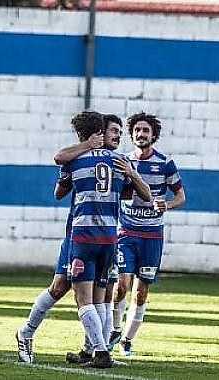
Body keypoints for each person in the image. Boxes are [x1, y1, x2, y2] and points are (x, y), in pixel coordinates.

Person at [61, 110, 151, 368]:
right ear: (100, 132)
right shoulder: (120, 161)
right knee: (101, 297)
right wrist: (132, 174)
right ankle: (91, 350)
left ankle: (101, 352)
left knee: (83, 298)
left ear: (81, 135)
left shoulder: (76, 160)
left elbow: (58, 163)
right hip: (111, 239)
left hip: (84, 237)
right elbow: (144, 195)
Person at [14, 122, 104, 364]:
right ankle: (26, 333)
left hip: (105, 238)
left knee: (98, 294)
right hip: (79, 236)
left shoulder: (113, 161)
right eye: (111, 131)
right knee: (61, 289)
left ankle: (93, 350)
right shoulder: (76, 158)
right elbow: (58, 188)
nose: (113, 136)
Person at [110, 112, 186, 356]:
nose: (141, 134)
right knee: (121, 284)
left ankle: (127, 340)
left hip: (152, 236)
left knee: (141, 291)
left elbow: (180, 196)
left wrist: (167, 204)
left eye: (146, 131)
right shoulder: (122, 161)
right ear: (131, 134)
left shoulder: (165, 163)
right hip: (125, 233)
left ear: (154, 135)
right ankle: (113, 330)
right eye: (137, 130)